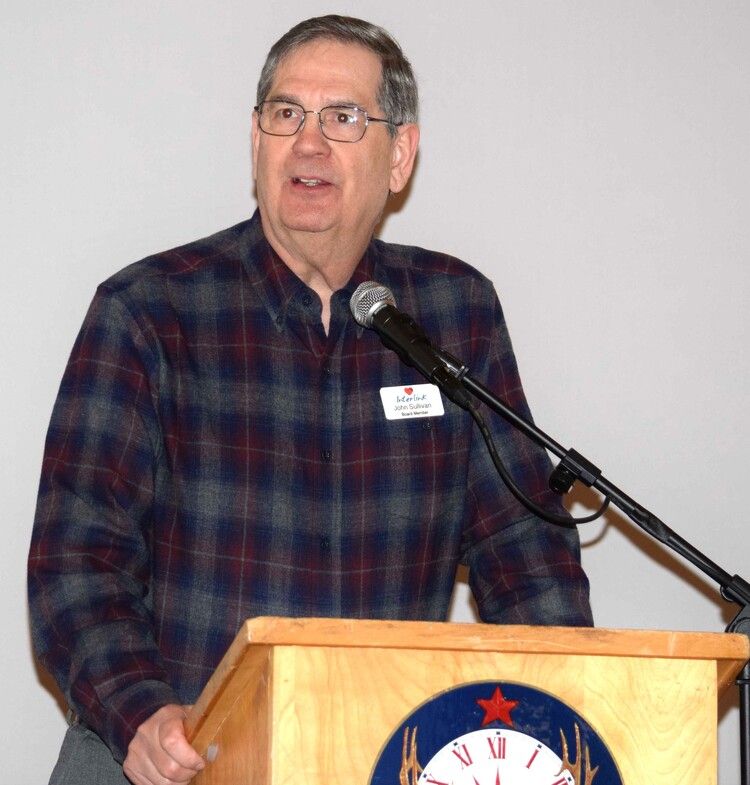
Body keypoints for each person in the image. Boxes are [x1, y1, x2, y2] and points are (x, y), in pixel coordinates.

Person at [28, 14, 592, 785]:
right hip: (173, 760)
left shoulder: (454, 312)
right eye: (286, 113)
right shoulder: (150, 311)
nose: (308, 143)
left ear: (400, 155)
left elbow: (526, 560)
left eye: (343, 117)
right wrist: (143, 712)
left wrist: (556, 719)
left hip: (376, 755)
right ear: (255, 139)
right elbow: (75, 563)